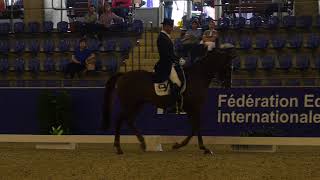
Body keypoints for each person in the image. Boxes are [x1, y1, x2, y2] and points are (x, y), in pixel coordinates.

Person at [154, 18, 184, 113]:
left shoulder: (166, 36)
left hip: (169, 63)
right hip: (165, 65)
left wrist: (177, 58)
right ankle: (172, 105)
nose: (172, 29)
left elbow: (171, 52)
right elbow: (166, 54)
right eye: (170, 27)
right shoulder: (162, 37)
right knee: (177, 83)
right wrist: (176, 59)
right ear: (166, 26)